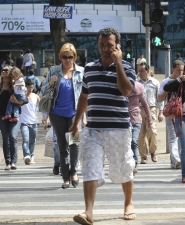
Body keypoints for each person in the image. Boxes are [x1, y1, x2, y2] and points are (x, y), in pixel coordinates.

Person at [69, 27, 136, 224]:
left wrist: (118, 64)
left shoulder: (127, 66)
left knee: (123, 166)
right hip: (93, 129)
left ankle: (128, 202)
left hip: (119, 129)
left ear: (118, 46)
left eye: (109, 45)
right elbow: (84, 96)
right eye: (101, 45)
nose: (105, 49)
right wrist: (76, 123)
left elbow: (126, 90)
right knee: (89, 165)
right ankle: (88, 212)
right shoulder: (89, 68)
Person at [41, 43, 84, 189]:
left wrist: (84, 116)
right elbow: (43, 91)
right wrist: (51, 83)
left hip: (74, 114)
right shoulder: (54, 71)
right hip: (56, 114)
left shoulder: (80, 72)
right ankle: (65, 177)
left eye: (70, 57)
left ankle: (74, 172)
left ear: (74, 57)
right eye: (64, 57)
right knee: (62, 146)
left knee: (74, 144)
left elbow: (85, 95)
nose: (67, 60)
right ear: (60, 57)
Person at [0, 65, 28, 171]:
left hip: (15, 115)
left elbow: (25, 100)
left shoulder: (15, 86)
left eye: (7, 70)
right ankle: (8, 162)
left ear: (11, 73)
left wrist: (17, 102)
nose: (4, 72)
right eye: (3, 70)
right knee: (5, 139)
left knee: (12, 136)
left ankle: (14, 161)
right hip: (2, 116)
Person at [158, 60, 184, 169]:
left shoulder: (184, 80)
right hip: (171, 113)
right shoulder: (166, 82)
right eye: (178, 70)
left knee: (181, 137)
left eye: (182, 70)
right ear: (172, 69)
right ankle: (176, 160)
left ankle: (175, 160)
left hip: (183, 113)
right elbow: (159, 98)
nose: (180, 72)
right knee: (173, 136)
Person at [137, 62, 164, 164]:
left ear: (147, 71)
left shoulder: (155, 82)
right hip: (139, 110)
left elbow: (160, 98)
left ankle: (153, 151)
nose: (140, 73)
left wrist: (161, 111)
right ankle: (144, 156)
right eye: (138, 71)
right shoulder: (136, 82)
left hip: (151, 109)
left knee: (152, 131)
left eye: (142, 71)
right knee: (141, 134)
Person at [128, 82, 152, 173]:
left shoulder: (138, 88)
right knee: (126, 144)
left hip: (136, 120)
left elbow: (145, 105)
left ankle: (134, 165)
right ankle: (127, 165)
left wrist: (150, 120)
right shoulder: (119, 87)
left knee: (134, 141)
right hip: (123, 121)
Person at [20, 82, 40, 165]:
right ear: (25, 87)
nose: (30, 89)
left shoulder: (36, 96)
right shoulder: (21, 96)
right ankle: (26, 156)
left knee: (32, 141)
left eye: (32, 87)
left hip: (34, 122)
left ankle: (31, 156)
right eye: (28, 87)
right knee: (26, 139)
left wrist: (45, 117)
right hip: (24, 121)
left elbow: (41, 106)